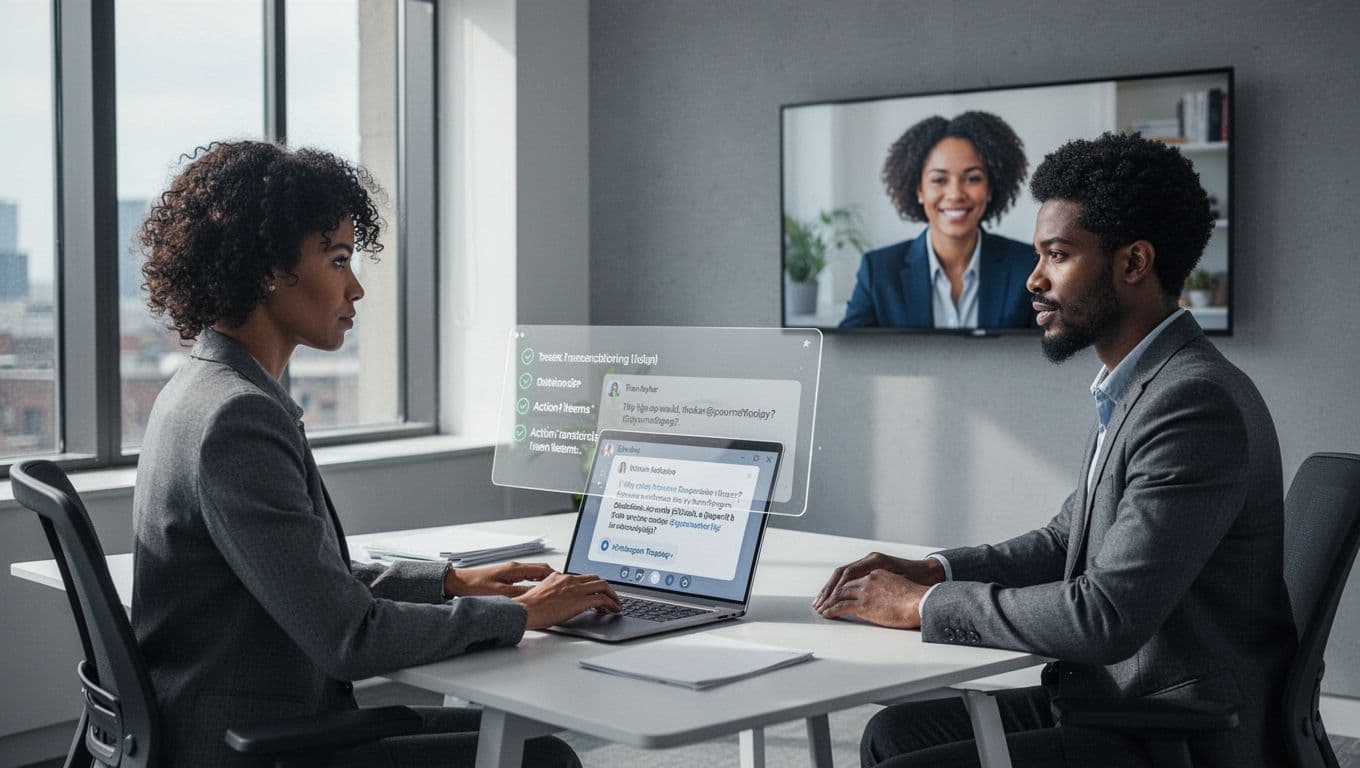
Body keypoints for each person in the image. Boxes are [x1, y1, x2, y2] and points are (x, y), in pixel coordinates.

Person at [132, 141, 619, 768]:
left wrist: (451, 582)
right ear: (269, 269)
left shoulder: (199, 388)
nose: (356, 288)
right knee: (544, 760)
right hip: (252, 748)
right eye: (338, 260)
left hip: (231, 724)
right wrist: (519, 613)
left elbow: (311, 582)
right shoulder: (238, 418)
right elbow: (349, 637)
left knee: (524, 745)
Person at [816, 133, 1296, 767]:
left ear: (1134, 263)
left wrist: (920, 607)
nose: (1034, 278)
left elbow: (1104, 615)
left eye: (1058, 255)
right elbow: (1064, 541)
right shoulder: (1141, 384)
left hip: (1173, 726)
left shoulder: (1192, 402)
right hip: (1115, 696)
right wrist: (935, 571)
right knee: (893, 733)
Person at [840, 111, 1035, 329]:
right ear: (919, 190)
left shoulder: (1028, 267)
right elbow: (849, 349)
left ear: (990, 188)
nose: (955, 194)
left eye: (972, 178)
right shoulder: (878, 272)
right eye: (939, 180)